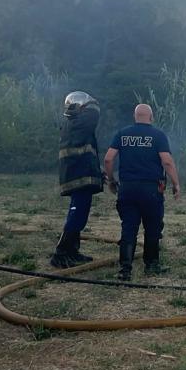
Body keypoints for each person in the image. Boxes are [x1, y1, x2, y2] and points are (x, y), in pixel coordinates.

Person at [103, 103, 181, 281]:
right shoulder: (158, 135)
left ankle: (125, 270)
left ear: (135, 116)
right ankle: (152, 266)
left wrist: (112, 181)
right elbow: (167, 162)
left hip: (127, 188)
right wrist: (176, 184)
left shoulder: (122, 134)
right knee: (152, 227)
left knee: (128, 227)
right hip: (151, 190)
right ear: (151, 117)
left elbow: (108, 159)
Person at [51, 91, 104, 268]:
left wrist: (98, 171)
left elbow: (86, 152)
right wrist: (91, 102)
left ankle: (72, 252)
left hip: (80, 174)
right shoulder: (79, 123)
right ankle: (61, 253)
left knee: (79, 214)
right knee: (76, 215)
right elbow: (95, 111)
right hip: (78, 176)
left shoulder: (73, 124)